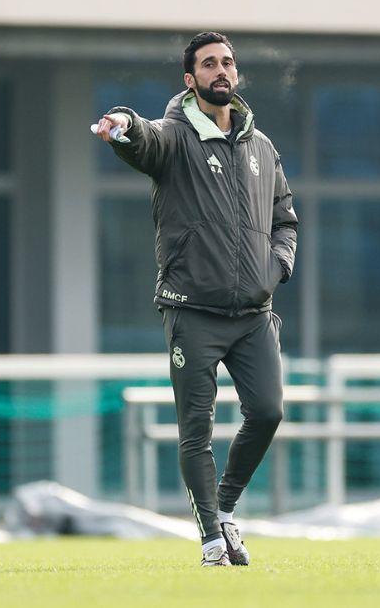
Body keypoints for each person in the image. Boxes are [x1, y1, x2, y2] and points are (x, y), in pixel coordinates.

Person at [93, 31, 298, 567]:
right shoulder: (175, 137)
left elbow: (285, 219)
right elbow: (144, 138)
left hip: (254, 314)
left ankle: (224, 508)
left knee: (269, 411)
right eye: (209, 64)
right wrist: (122, 125)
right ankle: (211, 539)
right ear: (191, 80)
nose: (221, 70)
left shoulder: (261, 146)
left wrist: (275, 268)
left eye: (228, 62)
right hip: (193, 312)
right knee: (196, 431)